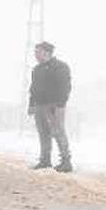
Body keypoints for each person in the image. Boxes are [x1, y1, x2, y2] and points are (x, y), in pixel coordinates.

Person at [28, 41, 73, 172]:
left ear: (47, 52)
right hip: (39, 106)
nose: (35, 55)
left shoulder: (60, 67)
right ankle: (45, 160)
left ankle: (66, 161)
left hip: (54, 105)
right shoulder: (36, 70)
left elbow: (65, 87)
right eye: (35, 52)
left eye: (38, 52)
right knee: (43, 133)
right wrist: (31, 104)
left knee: (58, 132)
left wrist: (61, 105)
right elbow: (33, 88)